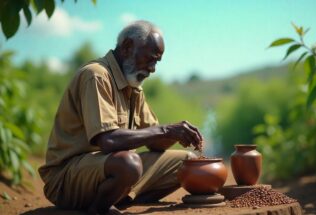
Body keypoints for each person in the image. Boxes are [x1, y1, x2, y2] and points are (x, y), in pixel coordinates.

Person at [38, 20, 203, 215]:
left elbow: (156, 143)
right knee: (129, 164)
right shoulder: (96, 76)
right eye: (150, 59)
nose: (153, 68)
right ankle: (100, 209)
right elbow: (108, 141)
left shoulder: (133, 86)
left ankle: (119, 196)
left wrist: (179, 133)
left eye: (157, 61)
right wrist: (166, 130)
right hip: (67, 178)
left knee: (188, 162)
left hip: (112, 169)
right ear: (127, 47)